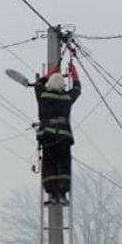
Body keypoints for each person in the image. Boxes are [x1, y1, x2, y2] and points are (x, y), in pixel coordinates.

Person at [33, 60, 81, 205]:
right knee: (63, 164)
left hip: (48, 137)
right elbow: (77, 89)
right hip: (63, 138)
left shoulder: (43, 96)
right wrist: (73, 72)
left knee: (49, 164)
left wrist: (51, 72)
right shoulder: (66, 98)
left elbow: (38, 84)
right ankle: (63, 194)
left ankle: (52, 194)